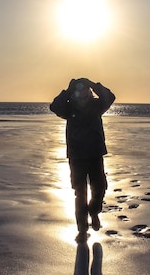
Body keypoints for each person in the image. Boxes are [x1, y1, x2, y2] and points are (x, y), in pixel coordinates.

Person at [50, 78, 116, 237]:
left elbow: (110, 97)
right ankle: (82, 227)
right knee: (80, 192)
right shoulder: (69, 108)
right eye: (79, 90)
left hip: (95, 153)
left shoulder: (96, 106)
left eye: (86, 90)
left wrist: (94, 84)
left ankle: (94, 212)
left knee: (99, 188)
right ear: (75, 93)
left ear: (89, 92)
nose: (82, 94)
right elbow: (54, 106)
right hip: (77, 155)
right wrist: (68, 89)